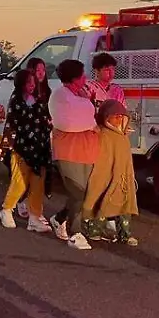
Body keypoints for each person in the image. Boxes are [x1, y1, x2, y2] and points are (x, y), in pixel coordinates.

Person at [48, 59, 100, 251]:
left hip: (86, 148)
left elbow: (88, 115)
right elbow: (71, 121)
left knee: (82, 192)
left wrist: (86, 102)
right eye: (82, 75)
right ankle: (75, 233)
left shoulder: (80, 94)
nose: (85, 78)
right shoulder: (60, 95)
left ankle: (59, 218)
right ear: (74, 78)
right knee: (77, 191)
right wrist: (87, 104)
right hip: (68, 150)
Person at [0, 66, 52, 232]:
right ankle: (7, 209)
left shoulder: (39, 99)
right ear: (20, 83)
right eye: (28, 82)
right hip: (22, 147)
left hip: (40, 147)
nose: (32, 85)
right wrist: (7, 146)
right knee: (20, 182)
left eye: (33, 82)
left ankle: (35, 217)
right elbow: (11, 124)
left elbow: (46, 119)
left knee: (38, 184)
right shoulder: (16, 101)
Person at [82, 99, 140, 246]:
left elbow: (126, 159)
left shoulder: (123, 137)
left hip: (123, 177)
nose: (119, 119)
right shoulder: (103, 135)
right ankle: (94, 230)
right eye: (115, 116)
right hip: (105, 175)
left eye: (121, 116)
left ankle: (125, 234)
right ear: (106, 117)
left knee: (125, 206)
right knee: (102, 201)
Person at [12, 57, 50, 222]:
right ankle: (17, 202)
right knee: (24, 175)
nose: (40, 73)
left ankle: (36, 211)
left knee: (39, 177)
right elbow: (16, 119)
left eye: (43, 69)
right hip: (26, 142)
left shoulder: (47, 92)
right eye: (37, 70)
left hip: (42, 140)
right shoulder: (19, 96)